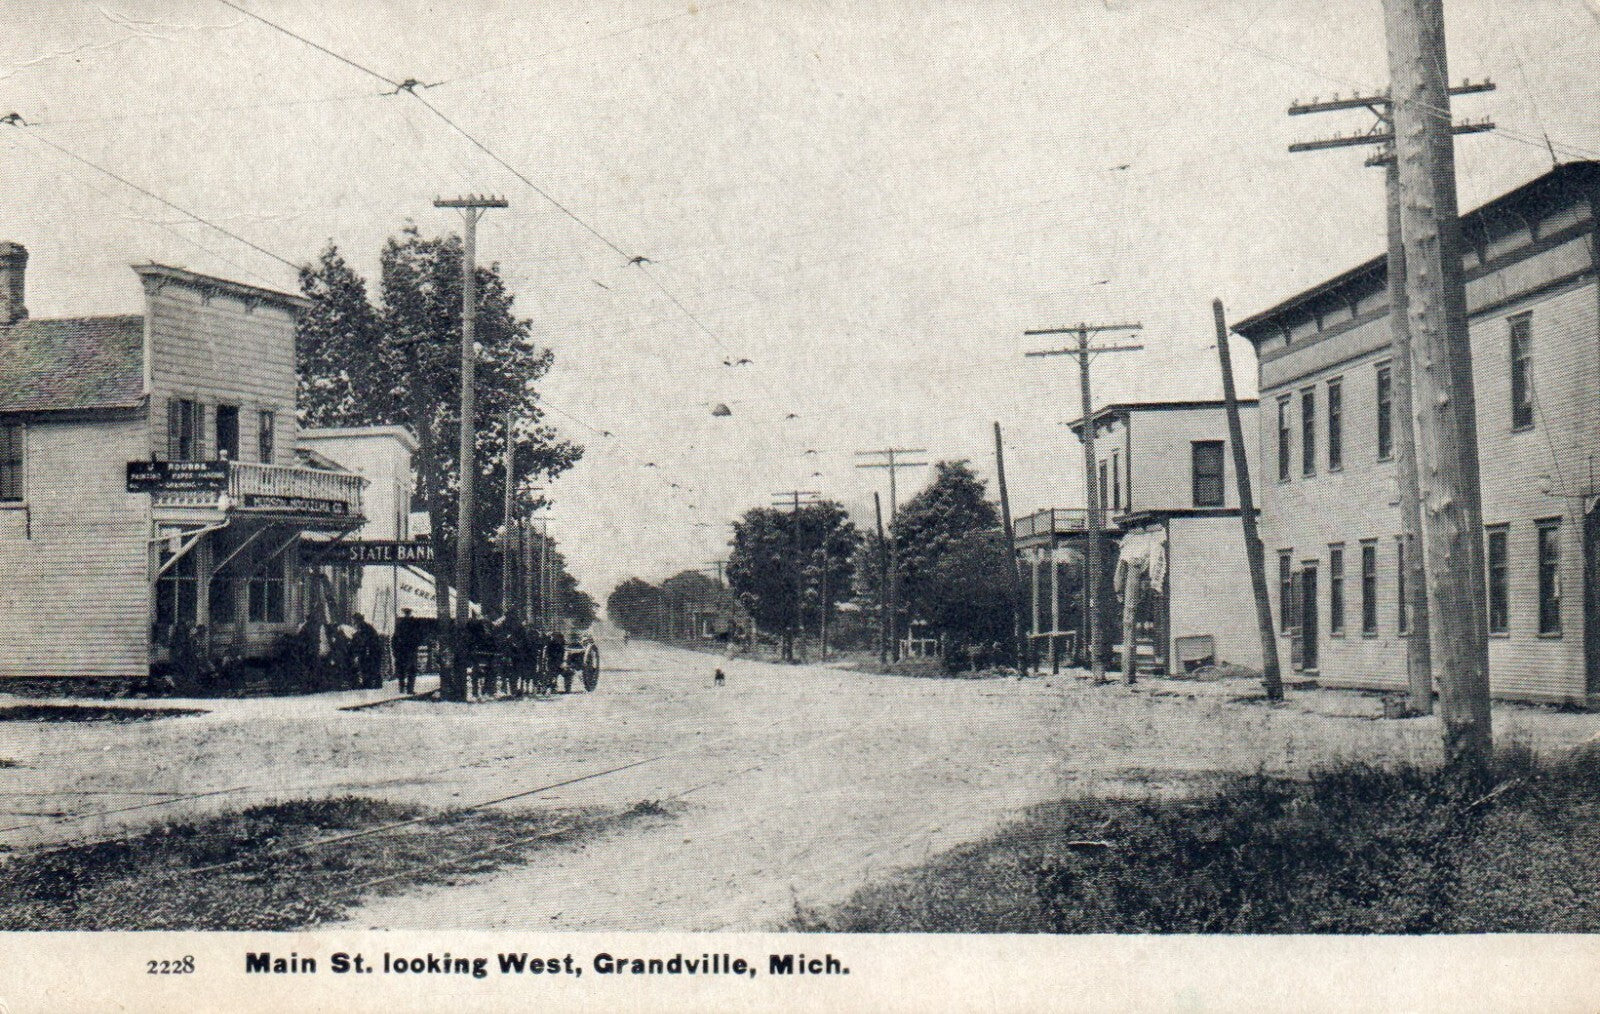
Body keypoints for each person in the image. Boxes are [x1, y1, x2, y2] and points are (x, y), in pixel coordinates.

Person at [393, 607, 424, 695]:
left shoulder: (400, 624)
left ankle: (402, 688)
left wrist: (396, 649)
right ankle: (409, 689)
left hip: (403, 650)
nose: (407, 614)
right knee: (411, 669)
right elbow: (419, 636)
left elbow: (395, 638)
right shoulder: (414, 623)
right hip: (409, 650)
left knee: (403, 669)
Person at [350, 613, 382, 690]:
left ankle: (372, 683)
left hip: (372, 650)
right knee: (366, 667)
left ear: (359, 620)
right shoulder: (363, 627)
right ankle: (370, 683)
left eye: (355, 620)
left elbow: (366, 640)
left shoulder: (365, 627)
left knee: (370, 667)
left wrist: (362, 648)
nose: (354, 622)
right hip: (369, 650)